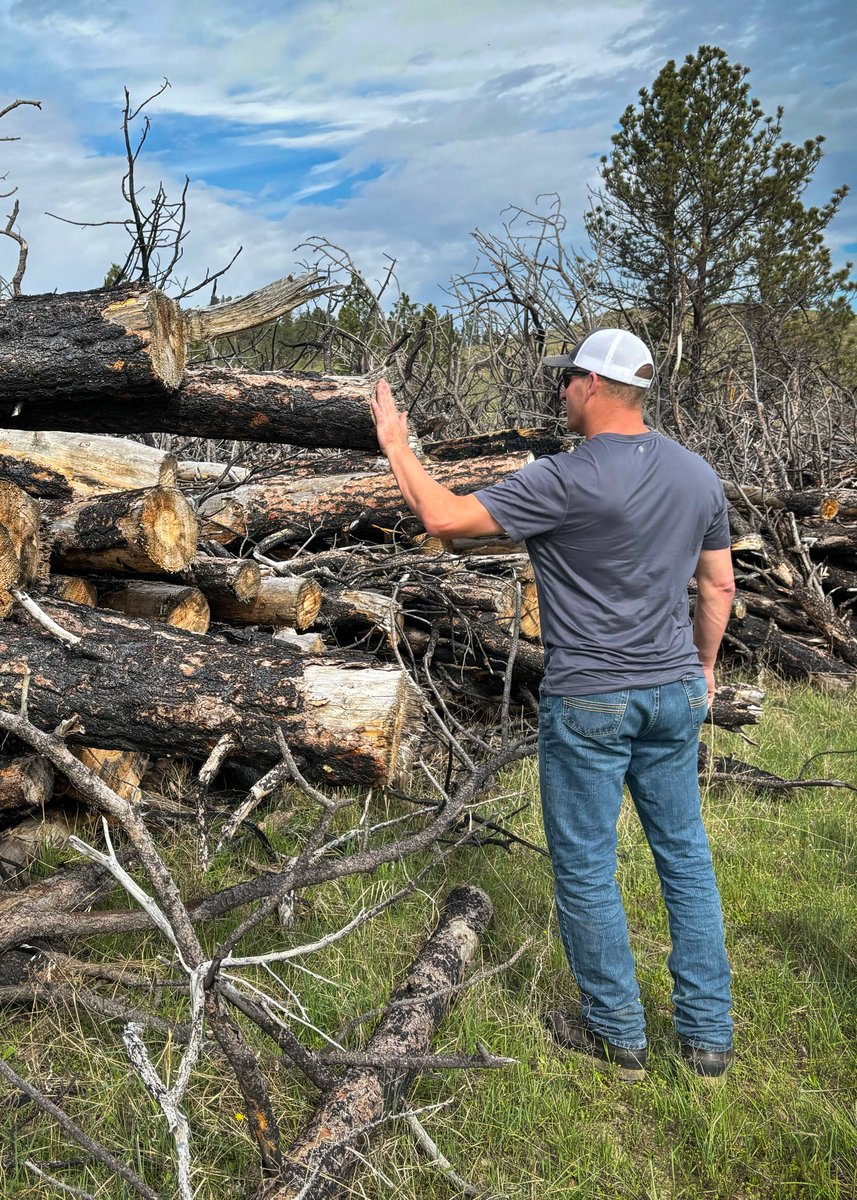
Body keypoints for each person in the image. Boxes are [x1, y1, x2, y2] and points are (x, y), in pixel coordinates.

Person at [370, 328, 735, 1083]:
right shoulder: (697, 476)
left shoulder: (565, 478)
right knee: (685, 858)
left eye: (567, 380)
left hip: (592, 695)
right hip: (671, 691)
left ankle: (619, 1037)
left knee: (586, 865)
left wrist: (396, 446)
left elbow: (440, 517)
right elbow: (718, 586)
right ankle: (707, 1041)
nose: (560, 391)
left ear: (595, 387)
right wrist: (700, 670)